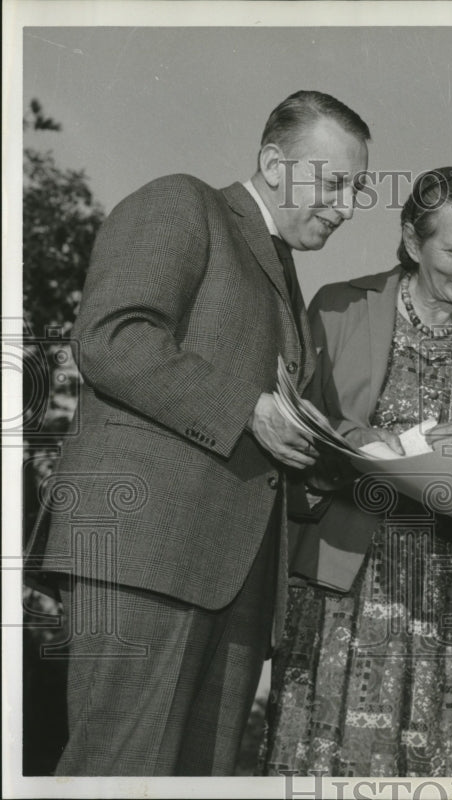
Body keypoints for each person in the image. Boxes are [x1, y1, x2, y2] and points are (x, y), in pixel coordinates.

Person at [25, 90, 371, 775]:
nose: (348, 205)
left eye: (357, 188)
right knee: (116, 774)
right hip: (147, 556)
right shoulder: (183, 202)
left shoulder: (284, 272)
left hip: (232, 578)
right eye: (333, 182)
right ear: (273, 163)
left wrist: (324, 448)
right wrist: (249, 407)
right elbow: (111, 335)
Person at [260, 167, 452, 778]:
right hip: (347, 588)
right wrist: (390, 443)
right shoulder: (339, 306)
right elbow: (303, 422)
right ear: (413, 242)